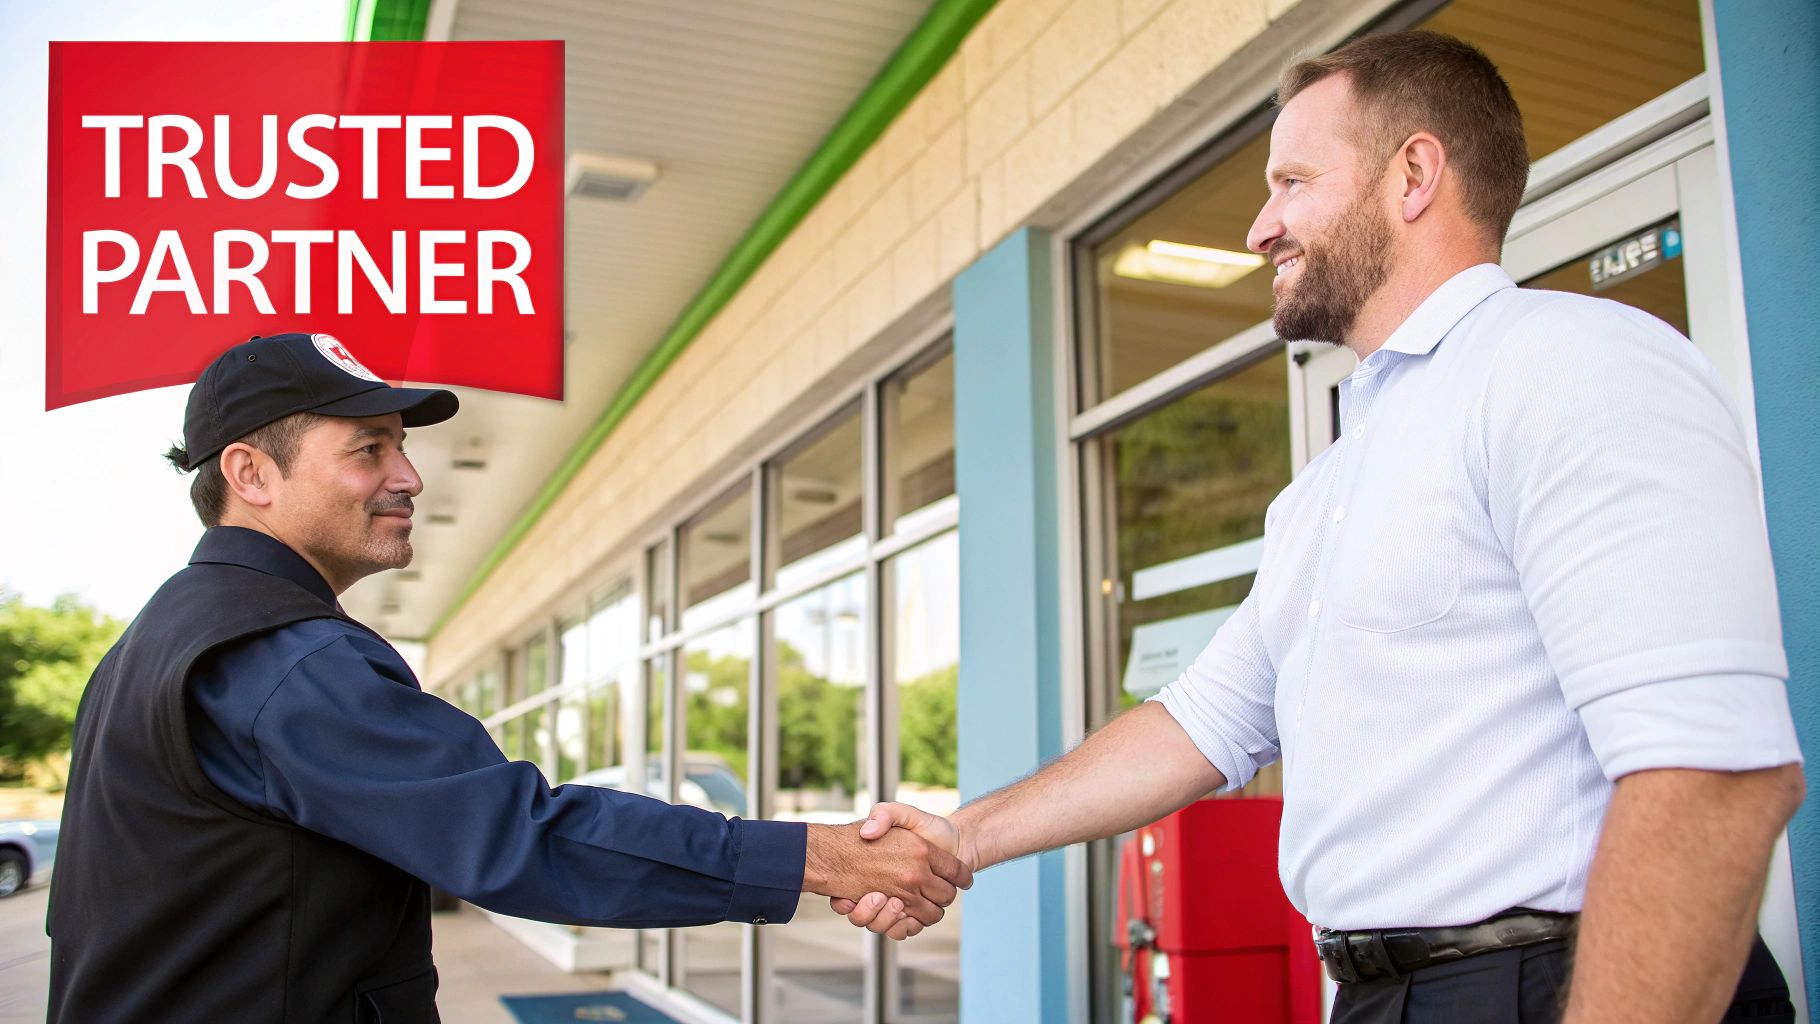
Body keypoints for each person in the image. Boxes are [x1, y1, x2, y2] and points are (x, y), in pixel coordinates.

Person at [834, 30, 1804, 1024]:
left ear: (1412, 174)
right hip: (1383, 995)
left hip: (1551, 982)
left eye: (1290, 181)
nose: (1259, 228)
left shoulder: (1566, 365)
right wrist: (962, 834)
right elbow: (1199, 723)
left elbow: (1713, 776)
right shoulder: (1329, 485)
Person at [46, 332, 970, 1023]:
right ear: (250, 472)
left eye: (400, 445)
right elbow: (521, 836)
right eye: (367, 448)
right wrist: (820, 856)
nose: (407, 474)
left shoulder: (151, 648)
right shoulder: (283, 657)